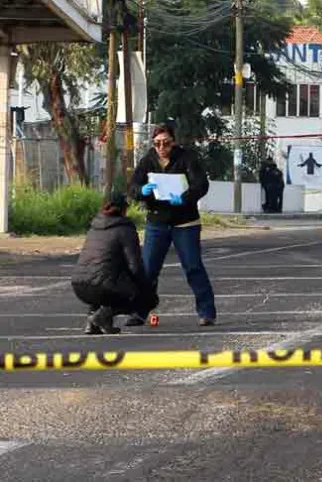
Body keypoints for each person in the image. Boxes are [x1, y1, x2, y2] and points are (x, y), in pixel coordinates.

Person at [129, 123, 216, 326]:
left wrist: (184, 197)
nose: (161, 148)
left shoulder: (187, 158)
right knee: (149, 269)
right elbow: (132, 186)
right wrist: (142, 191)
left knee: (193, 267)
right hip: (157, 221)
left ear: (173, 142)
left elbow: (201, 184)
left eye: (166, 143)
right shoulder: (147, 161)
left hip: (185, 221)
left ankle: (206, 312)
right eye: (157, 143)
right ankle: (139, 311)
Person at [71, 192, 159, 334]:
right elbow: (135, 265)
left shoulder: (94, 226)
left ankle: (92, 323)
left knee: (101, 277)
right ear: (124, 209)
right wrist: (146, 287)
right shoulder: (125, 229)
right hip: (102, 287)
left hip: (79, 286)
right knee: (143, 296)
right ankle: (100, 317)